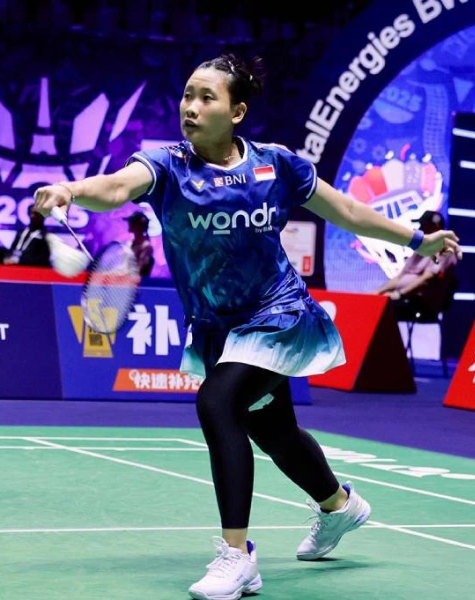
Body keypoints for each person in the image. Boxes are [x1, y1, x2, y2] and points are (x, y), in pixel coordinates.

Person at [34, 53, 463, 600]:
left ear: (236, 112)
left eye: (206, 97)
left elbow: (347, 212)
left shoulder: (276, 165)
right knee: (274, 431)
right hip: (218, 326)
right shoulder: (166, 164)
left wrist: (417, 241)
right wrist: (72, 190)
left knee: (218, 404)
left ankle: (237, 556)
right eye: (187, 95)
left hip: (279, 313)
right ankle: (339, 505)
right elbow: (117, 187)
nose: (190, 107)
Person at [374, 210, 459, 320]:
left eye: (424, 225)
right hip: (404, 299)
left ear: (436, 228)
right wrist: (377, 292)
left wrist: (400, 294)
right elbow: (400, 277)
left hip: (423, 305)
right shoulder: (422, 248)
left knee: (383, 312)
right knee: (377, 305)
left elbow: (427, 279)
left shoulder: (446, 250)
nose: (420, 229)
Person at [124, 211, 155, 277]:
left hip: (137, 282)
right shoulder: (129, 244)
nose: (129, 224)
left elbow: (140, 270)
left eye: (132, 222)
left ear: (139, 226)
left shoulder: (147, 247)